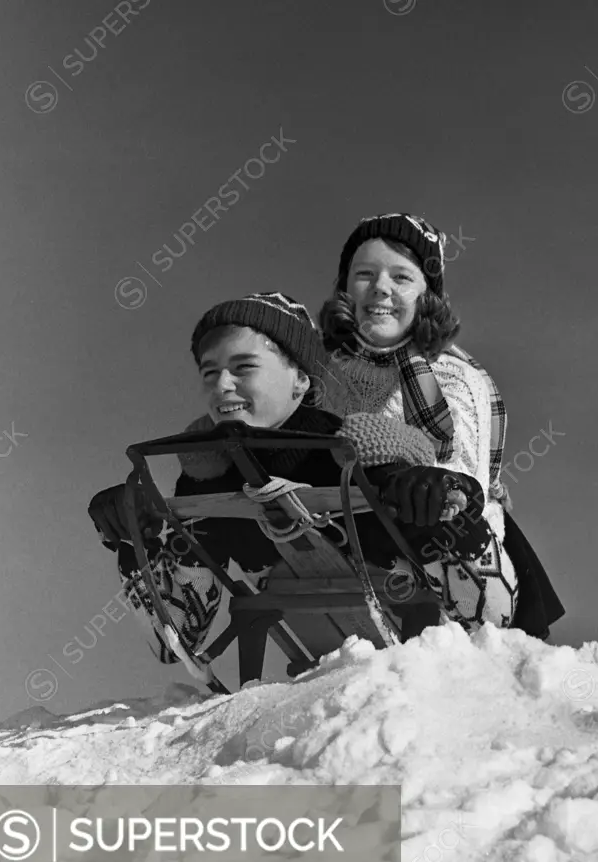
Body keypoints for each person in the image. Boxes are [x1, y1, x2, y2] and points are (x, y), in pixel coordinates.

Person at [178, 213, 564, 637]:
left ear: (426, 296)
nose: (380, 288)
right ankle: (183, 592)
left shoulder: (451, 378)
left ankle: (476, 613)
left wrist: (429, 484)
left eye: (401, 277)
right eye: (364, 274)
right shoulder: (322, 373)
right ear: (346, 288)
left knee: (430, 503)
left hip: (425, 518)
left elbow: (463, 474)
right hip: (335, 524)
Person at [88, 291, 496, 674]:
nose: (221, 385)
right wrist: (136, 539)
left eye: (244, 367)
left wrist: (450, 497)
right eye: (209, 372)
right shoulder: (206, 476)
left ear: (301, 380)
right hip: (332, 685)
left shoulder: (364, 456)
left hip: (434, 670)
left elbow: (496, 618)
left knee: (430, 511)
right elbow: (174, 638)